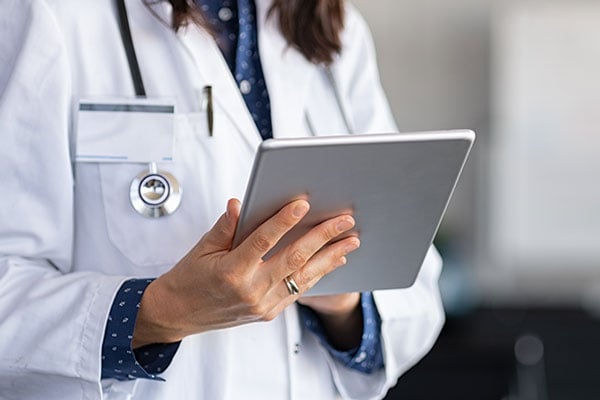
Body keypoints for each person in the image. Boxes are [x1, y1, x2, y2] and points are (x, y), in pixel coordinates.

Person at [0, 0, 444, 399]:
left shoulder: (333, 26)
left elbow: (415, 289)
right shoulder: (47, 13)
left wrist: (344, 304)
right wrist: (157, 313)